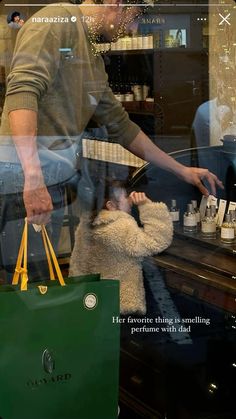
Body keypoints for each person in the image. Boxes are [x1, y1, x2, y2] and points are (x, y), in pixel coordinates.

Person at [0, 0, 222, 280]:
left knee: (39, 285)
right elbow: (22, 92)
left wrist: (182, 170)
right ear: (115, 4)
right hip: (23, 178)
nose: (133, 28)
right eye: (134, 17)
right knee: (22, 286)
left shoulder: (92, 60)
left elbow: (121, 126)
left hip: (50, 180)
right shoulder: (57, 20)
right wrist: (33, 179)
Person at [69, 178, 173, 314]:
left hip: (91, 300)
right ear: (111, 205)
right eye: (125, 196)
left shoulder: (86, 225)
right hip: (120, 305)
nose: (130, 199)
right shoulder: (121, 226)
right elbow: (157, 240)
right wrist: (147, 205)